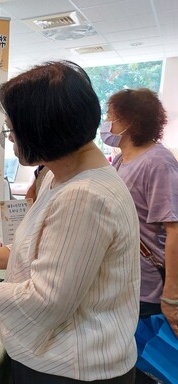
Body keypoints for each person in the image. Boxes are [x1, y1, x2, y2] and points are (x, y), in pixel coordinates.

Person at [0, 61, 140, 383]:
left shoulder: (84, 196)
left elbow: (45, 303)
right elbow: (38, 250)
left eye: (13, 129)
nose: (11, 140)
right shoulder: (61, 176)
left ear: (42, 127)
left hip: (71, 368)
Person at [102, 89, 178, 383]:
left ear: (129, 121)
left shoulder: (158, 162)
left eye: (110, 117)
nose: (106, 123)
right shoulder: (122, 160)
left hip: (149, 290)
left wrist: (171, 296)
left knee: (147, 364)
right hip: (125, 282)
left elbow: (174, 229)